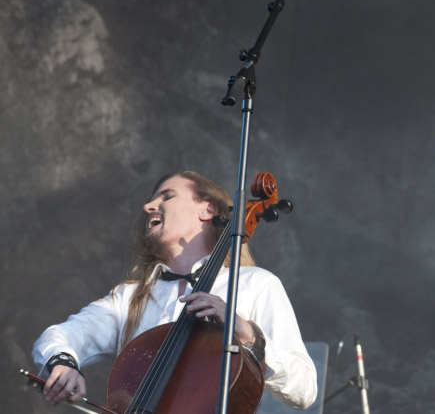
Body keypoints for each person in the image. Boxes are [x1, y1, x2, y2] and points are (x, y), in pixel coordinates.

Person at [32, 170, 318, 410]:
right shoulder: (130, 298)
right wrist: (64, 363)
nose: (148, 207)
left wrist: (247, 333)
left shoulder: (255, 284)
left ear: (206, 210)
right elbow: (62, 335)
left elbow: (305, 389)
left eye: (166, 196)